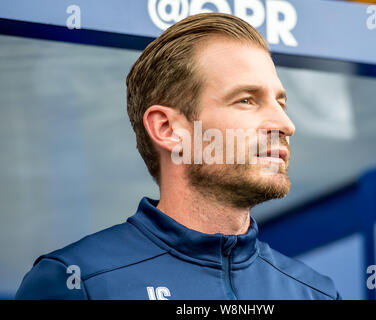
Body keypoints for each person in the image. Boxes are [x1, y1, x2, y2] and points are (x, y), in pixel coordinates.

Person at [16, 12, 340, 300]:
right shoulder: (79, 281)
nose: (286, 124)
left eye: (280, 103)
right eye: (246, 100)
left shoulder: (314, 292)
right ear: (168, 129)